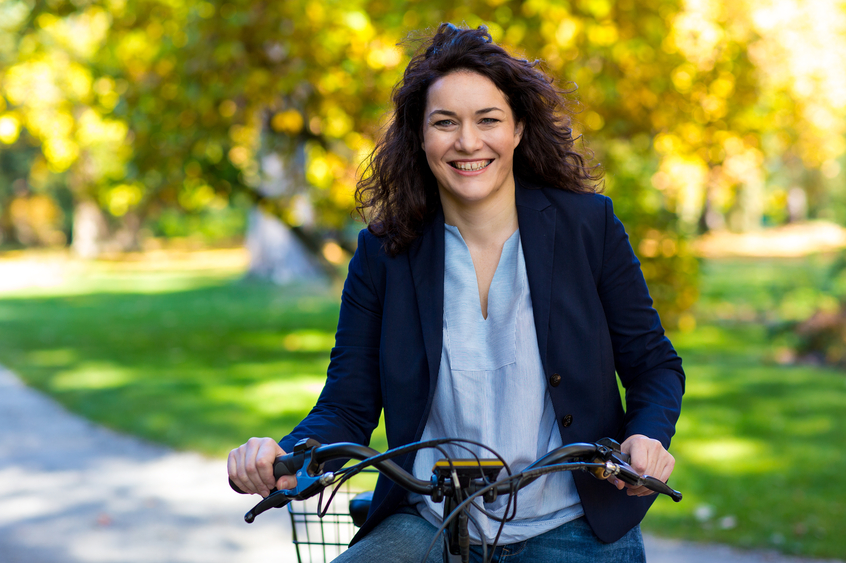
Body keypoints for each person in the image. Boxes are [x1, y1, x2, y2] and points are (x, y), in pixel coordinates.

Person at [228, 23, 684, 563]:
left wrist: (647, 437)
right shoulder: (384, 252)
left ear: (518, 129)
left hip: (572, 521)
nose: (468, 142)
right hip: (430, 517)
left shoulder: (588, 226)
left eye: (488, 120)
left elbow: (654, 365)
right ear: (420, 137)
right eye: (445, 122)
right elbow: (347, 404)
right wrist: (286, 455)